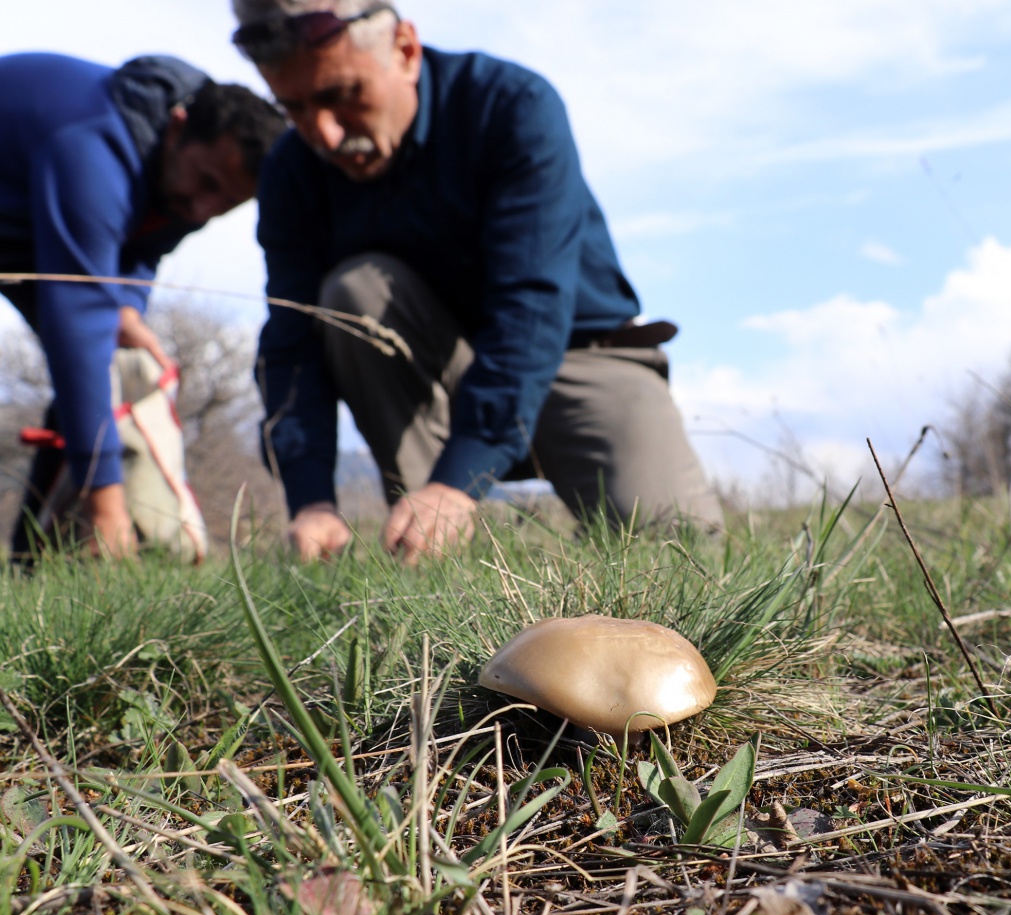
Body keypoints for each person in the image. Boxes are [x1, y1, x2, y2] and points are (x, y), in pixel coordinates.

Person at [231, 0, 723, 563]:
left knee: (678, 556)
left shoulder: (511, 106)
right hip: (441, 375)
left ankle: (454, 501)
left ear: (405, 51)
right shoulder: (292, 170)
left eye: (343, 94)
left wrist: (459, 477)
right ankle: (431, 557)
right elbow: (293, 338)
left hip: (579, 358)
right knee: (352, 295)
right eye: (293, 108)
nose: (324, 133)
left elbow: (530, 306)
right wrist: (311, 497)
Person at [0, 53, 287, 567]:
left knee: (107, 355)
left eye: (226, 203)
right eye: (206, 183)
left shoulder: (187, 177)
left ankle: (31, 564)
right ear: (178, 127)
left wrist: (127, 309)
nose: (204, 208)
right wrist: (105, 498)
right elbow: (78, 324)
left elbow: (141, 250)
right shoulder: (95, 148)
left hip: (17, 208)